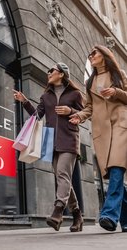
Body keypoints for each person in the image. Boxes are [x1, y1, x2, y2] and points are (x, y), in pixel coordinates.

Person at [13, 62, 84, 232]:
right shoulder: (46, 96)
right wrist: (24, 102)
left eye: (51, 70)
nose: (48, 73)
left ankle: (57, 211)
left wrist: (71, 112)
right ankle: (77, 215)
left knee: (62, 174)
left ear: (61, 73)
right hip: (51, 141)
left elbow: (83, 114)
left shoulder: (75, 94)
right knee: (62, 177)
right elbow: (37, 115)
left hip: (69, 139)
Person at [69, 45, 127, 232]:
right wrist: (80, 116)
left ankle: (109, 214)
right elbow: (89, 107)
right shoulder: (90, 82)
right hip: (102, 130)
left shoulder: (119, 74)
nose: (91, 55)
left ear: (104, 55)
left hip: (121, 124)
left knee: (117, 169)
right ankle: (125, 220)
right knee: (113, 173)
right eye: (90, 54)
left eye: (95, 53)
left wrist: (116, 92)